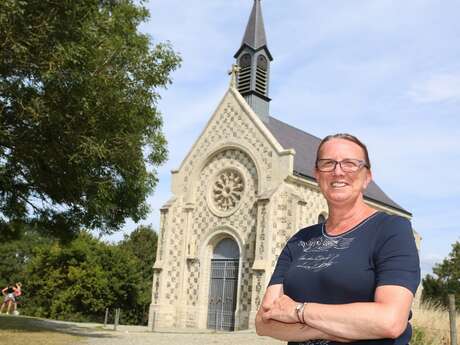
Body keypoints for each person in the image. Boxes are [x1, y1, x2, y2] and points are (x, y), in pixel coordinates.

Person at [255, 133, 420, 345]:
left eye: (350, 164)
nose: (338, 171)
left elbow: (390, 321)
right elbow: (263, 322)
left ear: (367, 177)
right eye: (328, 163)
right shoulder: (300, 240)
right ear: (317, 174)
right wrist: (339, 330)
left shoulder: (391, 229)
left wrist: (299, 311)